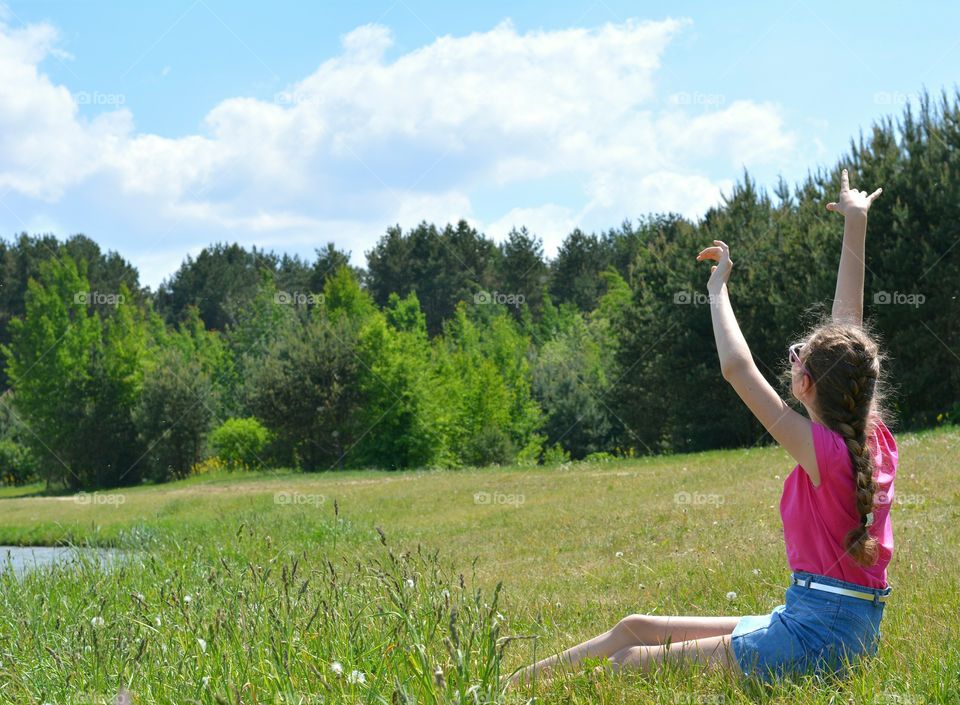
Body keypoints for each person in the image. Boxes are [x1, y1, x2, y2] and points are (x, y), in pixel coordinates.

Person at [508, 169, 896, 685]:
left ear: (804, 385)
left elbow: (737, 369)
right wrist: (855, 222)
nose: (795, 354)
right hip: (824, 619)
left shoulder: (823, 450)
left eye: (797, 356)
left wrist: (718, 292)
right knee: (635, 628)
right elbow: (848, 328)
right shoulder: (870, 440)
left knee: (627, 665)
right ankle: (502, 685)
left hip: (820, 636)